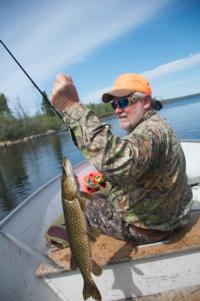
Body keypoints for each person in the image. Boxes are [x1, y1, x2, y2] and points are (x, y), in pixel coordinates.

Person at [51, 73, 193, 245]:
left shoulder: (150, 132)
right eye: (114, 104)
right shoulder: (158, 125)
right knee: (96, 186)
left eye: (124, 102)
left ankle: (68, 239)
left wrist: (70, 106)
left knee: (91, 204)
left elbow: (118, 164)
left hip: (152, 228)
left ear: (146, 102)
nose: (118, 110)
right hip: (172, 215)